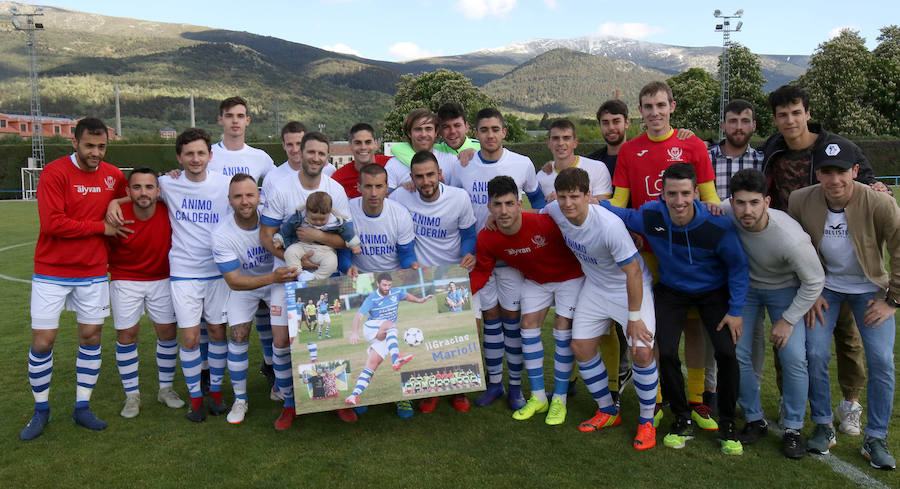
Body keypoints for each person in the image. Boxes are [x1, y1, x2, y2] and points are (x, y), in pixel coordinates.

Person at [761, 84, 890, 436]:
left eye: (796, 112)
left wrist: (880, 188)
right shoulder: (772, 150)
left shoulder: (836, 148)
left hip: (841, 262)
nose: (790, 120)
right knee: (789, 332)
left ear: (807, 113)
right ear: (775, 119)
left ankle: (850, 402)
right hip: (792, 257)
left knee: (847, 337)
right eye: (783, 115)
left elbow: (866, 184)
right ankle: (793, 404)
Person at [602, 163, 749, 455]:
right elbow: (625, 214)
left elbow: (738, 268)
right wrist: (594, 202)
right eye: (672, 194)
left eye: (685, 193)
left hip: (713, 292)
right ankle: (680, 417)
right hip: (672, 290)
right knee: (665, 351)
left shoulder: (717, 224)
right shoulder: (653, 215)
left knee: (727, 353)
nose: (679, 201)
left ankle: (728, 422)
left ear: (696, 192)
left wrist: (735, 310)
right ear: (663, 194)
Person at [610, 81, 720, 429]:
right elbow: (619, 203)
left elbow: (709, 198)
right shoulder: (629, 151)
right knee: (653, 332)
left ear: (672, 106)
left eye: (661, 105)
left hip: (686, 254)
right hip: (647, 254)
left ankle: (697, 399)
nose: (655, 112)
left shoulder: (692, 144)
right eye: (648, 106)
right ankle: (655, 399)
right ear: (639, 111)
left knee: (693, 327)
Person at [788, 144, 899, 470]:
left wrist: (892, 301)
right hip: (825, 289)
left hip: (870, 290)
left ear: (854, 171)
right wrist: (809, 290)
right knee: (816, 353)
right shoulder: (800, 200)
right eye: (827, 171)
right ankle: (823, 425)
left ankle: (875, 437)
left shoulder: (879, 202)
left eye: (841, 171)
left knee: (882, 360)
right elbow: (793, 248)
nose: (834, 179)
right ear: (818, 173)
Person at [20, 117, 127, 440]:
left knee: (91, 337)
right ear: (75, 143)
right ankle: (41, 410)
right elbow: (53, 224)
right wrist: (100, 227)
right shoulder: (54, 173)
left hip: (94, 271)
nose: (96, 152)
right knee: (43, 341)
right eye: (89, 146)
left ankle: (82, 407)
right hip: (51, 270)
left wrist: (115, 200)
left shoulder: (114, 176)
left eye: (102, 147)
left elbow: (133, 196)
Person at [544, 167, 659, 450]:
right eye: (562, 197)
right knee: (581, 348)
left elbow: (633, 272)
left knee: (642, 351)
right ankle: (608, 411)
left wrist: (634, 318)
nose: (568, 203)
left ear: (588, 196)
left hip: (629, 287)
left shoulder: (608, 226)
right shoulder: (555, 210)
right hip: (595, 287)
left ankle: (647, 422)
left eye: (574, 196)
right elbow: (535, 219)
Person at [721, 169, 824, 458]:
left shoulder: (789, 238)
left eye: (754, 203)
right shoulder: (726, 210)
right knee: (735, 352)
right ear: (732, 201)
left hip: (785, 288)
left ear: (767, 201)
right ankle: (754, 418)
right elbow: (704, 207)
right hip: (748, 290)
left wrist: (788, 320)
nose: (746, 210)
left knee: (793, 357)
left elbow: (815, 281)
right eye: (740, 203)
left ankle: (792, 428)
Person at [449, 107, 546, 411]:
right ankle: (495, 384)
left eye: (495, 129)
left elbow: (539, 202)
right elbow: (451, 201)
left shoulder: (523, 163)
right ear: (474, 135)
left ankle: (515, 387)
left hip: (511, 258)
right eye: (483, 130)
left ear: (504, 132)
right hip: (477, 258)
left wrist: (525, 229)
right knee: (491, 320)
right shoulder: (461, 165)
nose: (490, 135)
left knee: (511, 320)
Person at [470, 176, 584, 425]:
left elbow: (580, 231)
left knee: (562, 331)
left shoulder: (544, 222)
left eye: (509, 203)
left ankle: (560, 400)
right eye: (497, 204)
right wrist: (458, 294)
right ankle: (538, 397)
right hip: (537, 282)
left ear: (520, 204)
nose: (503, 210)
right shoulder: (487, 237)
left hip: (569, 277)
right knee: (527, 328)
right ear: (489, 207)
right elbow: (481, 272)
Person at [260, 131, 355, 428]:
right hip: (288, 276)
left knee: (324, 340)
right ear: (300, 152)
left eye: (321, 154)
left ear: (327, 157)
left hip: (323, 278)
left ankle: (333, 398)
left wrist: (318, 236)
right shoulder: (281, 188)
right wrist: (293, 260)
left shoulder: (335, 190)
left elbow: (344, 240)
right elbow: (265, 235)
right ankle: (290, 402)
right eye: (310, 152)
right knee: (283, 342)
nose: (315, 158)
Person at [389, 150, 479, 413]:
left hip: (452, 274)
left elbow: (468, 234)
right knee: (421, 335)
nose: (426, 181)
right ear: (411, 178)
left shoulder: (459, 198)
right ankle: (430, 390)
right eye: (419, 177)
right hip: (418, 275)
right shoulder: (400, 196)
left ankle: (459, 390)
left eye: (430, 175)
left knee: (458, 336)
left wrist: (468, 254)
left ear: (440, 174)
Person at [212, 173, 299, 424]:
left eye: (250, 195)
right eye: (238, 196)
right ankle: (241, 400)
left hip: (277, 281)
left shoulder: (274, 221)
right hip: (247, 286)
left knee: (282, 339)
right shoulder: (221, 233)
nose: (245, 201)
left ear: (259, 197)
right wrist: (272, 278)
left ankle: (280, 387)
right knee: (238, 336)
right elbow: (234, 281)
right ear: (229, 200)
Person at [159, 128, 233, 422]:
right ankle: (196, 399)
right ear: (179, 157)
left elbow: (250, 202)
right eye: (189, 153)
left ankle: (215, 394)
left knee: (217, 333)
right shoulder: (168, 183)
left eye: (201, 153)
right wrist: (116, 203)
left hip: (217, 271)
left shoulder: (225, 184)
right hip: (184, 272)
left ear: (210, 156)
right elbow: (139, 190)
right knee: (189, 338)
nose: (195, 158)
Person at [107, 167, 183, 419]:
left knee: (168, 333)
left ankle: (165, 389)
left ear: (158, 191)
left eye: (149, 187)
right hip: (125, 280)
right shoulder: (117, 214)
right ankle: (132, 395)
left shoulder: (168, 210)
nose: (143, 192)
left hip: (162, 279)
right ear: (128, 191)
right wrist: (113, 203)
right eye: (137, 187)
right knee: (127, 335)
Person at [345, 273, 433, 406]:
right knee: (392, 325)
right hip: (371, 328)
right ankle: (395, 359)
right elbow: (358, 316)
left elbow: (406, 296)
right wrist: (355, 332)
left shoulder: (395, 292)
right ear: (378, 284)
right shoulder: (372, 298)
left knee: (371, 366)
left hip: (384, 334)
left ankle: (354, 395)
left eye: (389, 285)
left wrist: (420, 300)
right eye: (384, 285)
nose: (387, 287)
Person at [348, 164, 420, 275]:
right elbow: (343, 253)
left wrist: (412, 265)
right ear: (358, 187)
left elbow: (406, 254)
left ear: (387, 187)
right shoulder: (348, 211)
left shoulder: (400, 214)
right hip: (359, 277)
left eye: (379, 186)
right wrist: (347, 267)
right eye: (368, 186)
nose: (373, 193)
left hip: (392, 276)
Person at [275, 191, 361, 279]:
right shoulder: (299, 217)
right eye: (314, 219)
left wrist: (354, 245)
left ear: (329, 213)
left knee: (332, 262)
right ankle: (299, 274)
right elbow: (287, 228)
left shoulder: (335, 222)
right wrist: (279, 239)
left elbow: (347, 232)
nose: (318, 222)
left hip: (324, 250)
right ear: (307, 211)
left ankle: (315, 278)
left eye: (322, 219)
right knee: (290, 252)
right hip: (302, 246)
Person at [536, 118, 612, 202]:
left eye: (566, 138)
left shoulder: (597, 168)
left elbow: (604, 208)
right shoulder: (541, 176)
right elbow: (542, 211)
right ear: (548, 143)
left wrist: (561, 199)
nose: (561, 143)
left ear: (575, 143)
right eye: (555, 138)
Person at [385, 108, 461, 190]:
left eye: (428, 129)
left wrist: (444, 188)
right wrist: (400, 190)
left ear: (436, 132)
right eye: (418, 129)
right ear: (409, 133)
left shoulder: (452, 161)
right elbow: (384, 199)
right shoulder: (393, 165)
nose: (423, 134)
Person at [208, 96, 276, 180]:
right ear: (220, 120)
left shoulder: (260, 157)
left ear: (247, 121)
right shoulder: (207, 156)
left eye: (240, 116)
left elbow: (279, 182)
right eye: (229, 116)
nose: (235, 121)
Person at [331, 123, 390, 199]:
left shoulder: (391, 164)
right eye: (358, 143)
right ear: (350, 145)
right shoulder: (338, 179)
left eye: (368, 142)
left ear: (375, 144)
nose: (363, 147)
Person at [586, 99, 631, 178]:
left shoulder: (640, 157)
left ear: (626, 123)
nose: (611, 127)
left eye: (616, 121)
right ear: (600, 126)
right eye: (605, 123)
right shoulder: (591, 162)